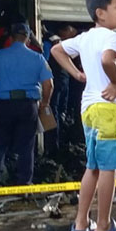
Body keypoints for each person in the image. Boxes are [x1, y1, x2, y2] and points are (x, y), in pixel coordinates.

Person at [51, 0, 116, 231]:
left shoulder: (85, 38)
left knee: (93, 167)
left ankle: (80, 222)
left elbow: (56, 51)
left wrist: (76, 74)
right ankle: (104, 225)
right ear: (101, 13)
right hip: (110, 110)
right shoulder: (112, 38)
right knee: (109, 169)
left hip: (89, 109)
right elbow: (108, 60)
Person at [0, 22, 53, 187]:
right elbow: (49, 85)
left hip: (3, 106)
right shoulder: (38, 58)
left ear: (11, 37)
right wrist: (44, 104)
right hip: (28, 106)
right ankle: (24, 183)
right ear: (27, 39)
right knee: (26, 145)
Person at [43, 24, 79, 153]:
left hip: (55, 81)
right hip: (64, 81)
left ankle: (53, 146)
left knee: (52, 112)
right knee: (60, 112)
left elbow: (44, 61)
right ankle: (61, 143)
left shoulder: (49, 42)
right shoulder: (62, 43)